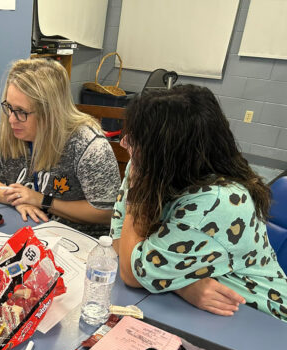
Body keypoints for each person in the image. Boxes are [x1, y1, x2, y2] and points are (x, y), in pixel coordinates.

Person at [111, 84, 287, 321]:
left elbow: (131, 273)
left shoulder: (219, 203)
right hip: (201, 310)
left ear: (171, 154)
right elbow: (119, 244)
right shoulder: (147, 166)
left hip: (258, 318)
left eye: (136, 140)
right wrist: (181, 285)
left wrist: (136, 196)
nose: (125, 144)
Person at [0, 58, 120, 238]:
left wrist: (43, 201)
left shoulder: (88, 145)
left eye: (21, 111)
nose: (11, 119)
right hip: (27, 230)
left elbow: (107, 212)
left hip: (77, 240)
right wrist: (17, 199)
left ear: (50, 113)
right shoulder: (9, 132)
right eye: (9, 107)